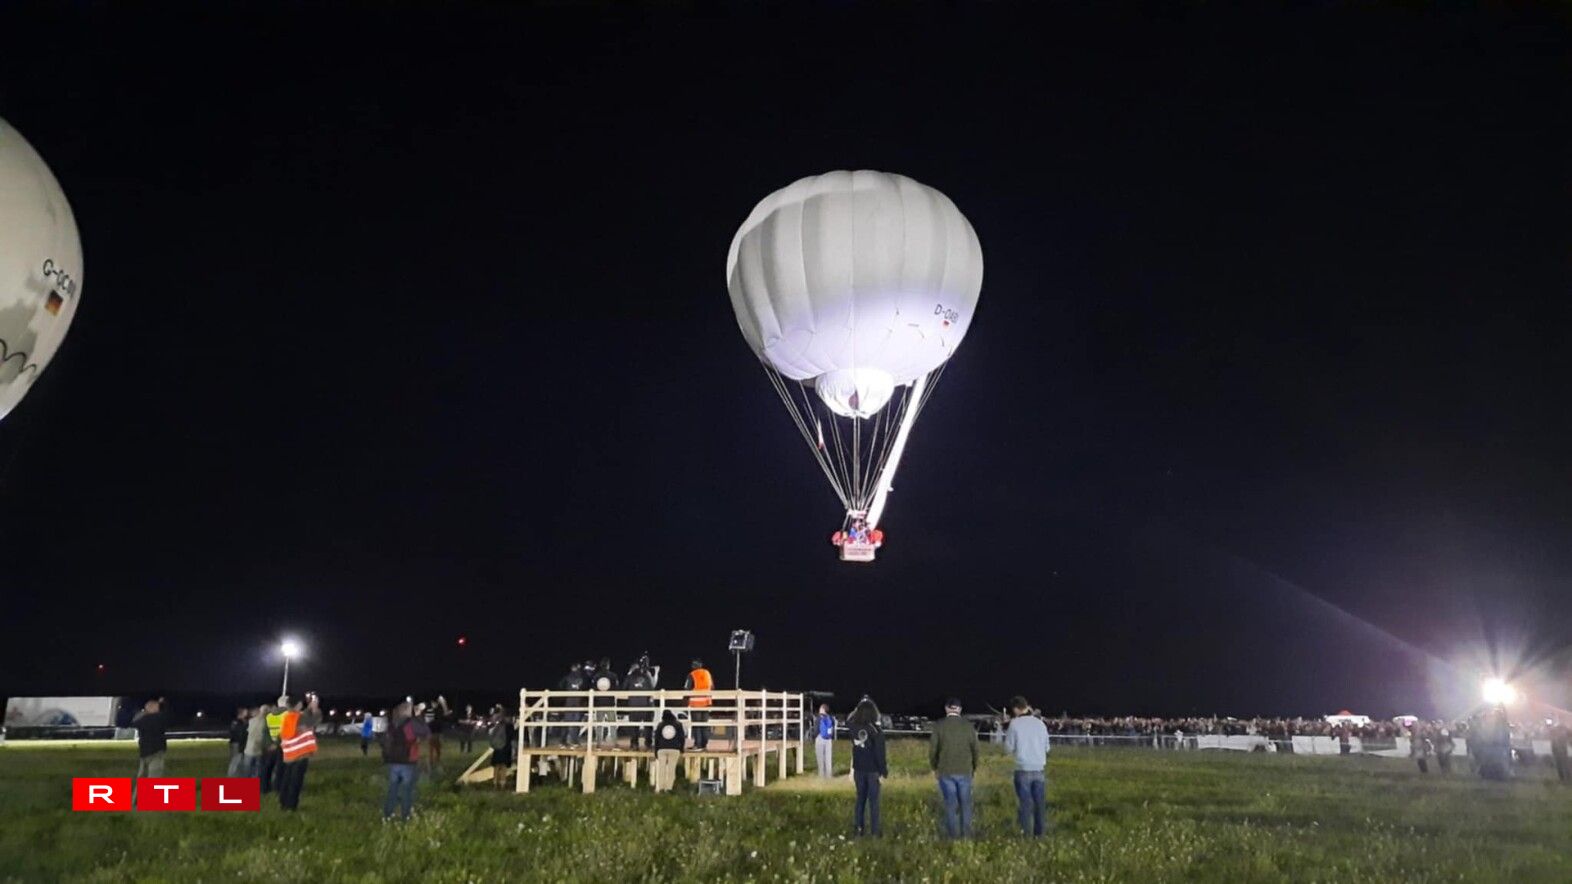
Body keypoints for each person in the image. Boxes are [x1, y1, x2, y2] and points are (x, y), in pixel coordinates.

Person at [929, 697, 979, 838]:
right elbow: (975, 749)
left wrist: (935, 767)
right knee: (965, 804)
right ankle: (966, 835)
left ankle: (952, 836)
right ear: (960, 709)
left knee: (950, 804)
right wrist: (974, 767)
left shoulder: (939, 726)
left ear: (946, 709)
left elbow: (933, 750)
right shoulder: (968, 726)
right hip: (965, 770)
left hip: (945, 770)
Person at [1004, 696, 1049, 836]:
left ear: (1015, 709)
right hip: (1039, 769)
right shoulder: (1040, 724)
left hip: (1022, 768)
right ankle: (1039, 834)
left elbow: (1008, 748)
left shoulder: (1014, 724)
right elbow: (1047, 747)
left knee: (1025, 804)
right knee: (1039, 804)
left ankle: (1026, 834)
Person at [848, 698, 887, 837]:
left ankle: (859, 829)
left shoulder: (853, 728)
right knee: (874, 802)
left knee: (860, 800)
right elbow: (880, 753)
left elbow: (849, 719)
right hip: (873, 771)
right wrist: (883, 771)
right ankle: (875, 832)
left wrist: (857, 708)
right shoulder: (876, 730)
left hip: (858, 769)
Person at [277, 694, 320, 811]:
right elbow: (315, 720)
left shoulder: (287, 717)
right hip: (300, 753)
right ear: (298, 704)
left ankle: (283, 802)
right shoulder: (298, 718)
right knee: (296, 781)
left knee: (287, 778)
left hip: (289, 754)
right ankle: (291, 805)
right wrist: (315, 708)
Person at [382, 701, 423, 820]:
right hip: (406, 760)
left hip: (393, 760)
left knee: (393, 788)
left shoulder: (392, 724)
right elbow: (412, 739)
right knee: (406, 789)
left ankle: (388, 813)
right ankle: (406, 815)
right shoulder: (408, 724)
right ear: (406, 711)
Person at [623, 657, 656, 749]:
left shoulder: (630, 676)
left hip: (633, 705)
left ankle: (634, 744)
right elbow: (652, 689)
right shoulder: (647, 676)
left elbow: (623, 688)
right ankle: (648, 744)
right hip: (646, 705)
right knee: (648, 725)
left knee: (634, 726)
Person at [132, 698, 169, 780]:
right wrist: (162, 703)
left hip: (144, 750)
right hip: (157, 749)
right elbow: (167, 715)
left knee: (142, 773)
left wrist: (145, 712)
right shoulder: (160, 718)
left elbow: (135, 721)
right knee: (155, 774)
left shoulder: (141, 720)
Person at [653, 709, 687, 793]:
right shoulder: (678, 724)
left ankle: (661, 787)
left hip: (662, 749)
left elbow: (656, 739)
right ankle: (669, 788)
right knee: (671, 770)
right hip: (674, 749)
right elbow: (682, 738)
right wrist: (681, 748)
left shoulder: (660, 725)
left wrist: (656, 751)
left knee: (661, 769)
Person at [555, 662, 588, 747]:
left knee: (567, 721)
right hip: (577, 702)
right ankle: (574, 741)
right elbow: (585, 687)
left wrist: (567, 691)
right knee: (575, 722)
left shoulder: (568, 677)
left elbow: (560, 685)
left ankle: (563, 741)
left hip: (569, 702)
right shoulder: (581, 677)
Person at [684, 658, 713, 750]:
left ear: (694, 666)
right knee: (704, 725)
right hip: (706, 703)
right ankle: (704, 744)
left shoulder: (692, 674)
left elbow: (687, 689)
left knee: (696, 725)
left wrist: (684, 700)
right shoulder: (707, 673)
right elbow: (712, 687)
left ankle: (697, 745)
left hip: (696, 703)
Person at [260, 698, 288, 794]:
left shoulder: (269, 716)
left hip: (270, 747)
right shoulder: (287, 715)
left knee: (267, 768)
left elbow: (265, 732)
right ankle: (278, 788)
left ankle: (264, 789)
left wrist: (269, 744)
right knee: (281, 769)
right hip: (283, 746)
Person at [591, 658, 618, 747]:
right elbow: (616, 688)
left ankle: (598, 743)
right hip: (610, 703)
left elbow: (593, 688)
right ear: (608, 665)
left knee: (599, 724)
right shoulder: (613, 676)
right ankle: (614, 742)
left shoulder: (596, 676)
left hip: (599, 703)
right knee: (612, 724)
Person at [488, 710, 515, 789]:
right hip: (506, 748)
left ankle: (495, 783)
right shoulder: (510, 726)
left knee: (496, 766)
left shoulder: (498, 725)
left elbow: (492, 735)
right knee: (504, 766)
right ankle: (502, 783)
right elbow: (512, 736)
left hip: (498, 748)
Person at [243, 704, 269, 777]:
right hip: (259, 750)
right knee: (257, 771)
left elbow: (247, 732)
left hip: (249, 748)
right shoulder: (267, 722)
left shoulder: (251, 721)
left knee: (247, 771)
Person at [814, 703, 836, 777]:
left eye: (820, 708)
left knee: (820, 758)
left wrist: (815, 736)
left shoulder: (819, 718)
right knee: (828, 758)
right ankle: (829, 775)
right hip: (828, 739)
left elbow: (816, 729)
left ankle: (821, 775)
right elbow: (832, 727)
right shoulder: (831, 718)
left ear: (823, 709)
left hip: (820, 738)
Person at [227, 706, 250, 776]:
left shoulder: (237, 722)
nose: (247, 713)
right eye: (245, 711)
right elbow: (240, 734)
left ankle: (238, 775)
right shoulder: (238, 723)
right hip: (237, 744)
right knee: (235, 760)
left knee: (239, 760)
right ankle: (231, 775)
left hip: (236, 743)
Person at [1550, 718, 1570, 784]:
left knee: (1563, 765)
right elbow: (1553, 743)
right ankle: (1563, 779)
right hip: (1558, 751)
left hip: (1562, 750)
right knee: (1561, 765)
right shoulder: (1555, 732)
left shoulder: (1564, 731)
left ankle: (1566, 778)